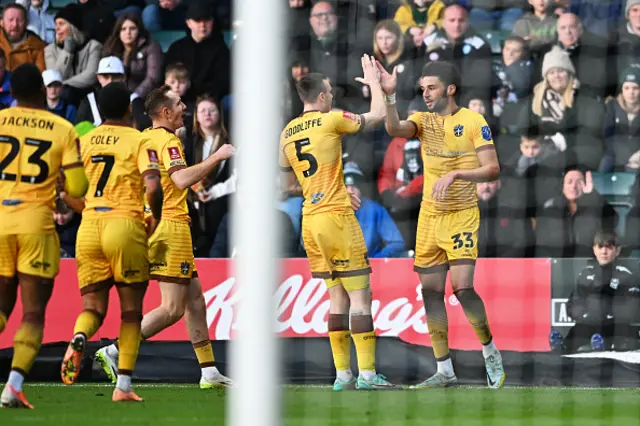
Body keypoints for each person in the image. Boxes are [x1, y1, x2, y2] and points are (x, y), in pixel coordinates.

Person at [95, 85, 235, 389]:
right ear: (165, 112)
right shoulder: (168, 140)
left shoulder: (145, 137)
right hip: (172, 226)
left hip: (154, 222)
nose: (184, 107)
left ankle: (209, 371)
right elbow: (181, 179)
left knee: (195, 301)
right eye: (179, 103)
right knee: (172, 308)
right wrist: (218, 156)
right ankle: (114, 349)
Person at [380, 60, 506, 389]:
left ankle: (490, 351)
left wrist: (457, 173)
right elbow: (394, 130)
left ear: (450, 88)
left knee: (463, 289)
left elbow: (492, 169)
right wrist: (390, 97)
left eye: (432, 87)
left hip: (462, 213)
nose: (426, 94)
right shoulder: (422, 120)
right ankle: (444, 369)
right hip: (429, 217)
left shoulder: (474, 121)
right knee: (431, 293)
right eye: (422, 88)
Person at [279, 55, 393, 391]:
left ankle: (343, 375)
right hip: (336, 218)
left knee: (336, 298)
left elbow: (286, 186)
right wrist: (375, 83)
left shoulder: (286, 133)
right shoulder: (332, 119)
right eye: (329, 91)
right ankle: (368, 375)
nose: (332, 95)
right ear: (323, 96)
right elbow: (378, 115)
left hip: (309, 221)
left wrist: (323, 189)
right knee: (361, 296)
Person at [58, 82, 162, 402]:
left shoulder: (83, 141)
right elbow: (154, 186)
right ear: (130, 109)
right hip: (125, 226)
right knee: (131, 312)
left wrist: (88, 208)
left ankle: (79, 335)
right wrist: (154, 217)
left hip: (89, 229)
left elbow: (65, 192)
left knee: (93, 307)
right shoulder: (141, 139)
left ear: (100, 111)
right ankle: (124, 387)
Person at [0, 63, 88, 408]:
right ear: (41, 89)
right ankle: (14, 386)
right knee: (33, 314)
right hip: (36, 225)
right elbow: (78, 186)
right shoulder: (62, 128)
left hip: (1, 222)